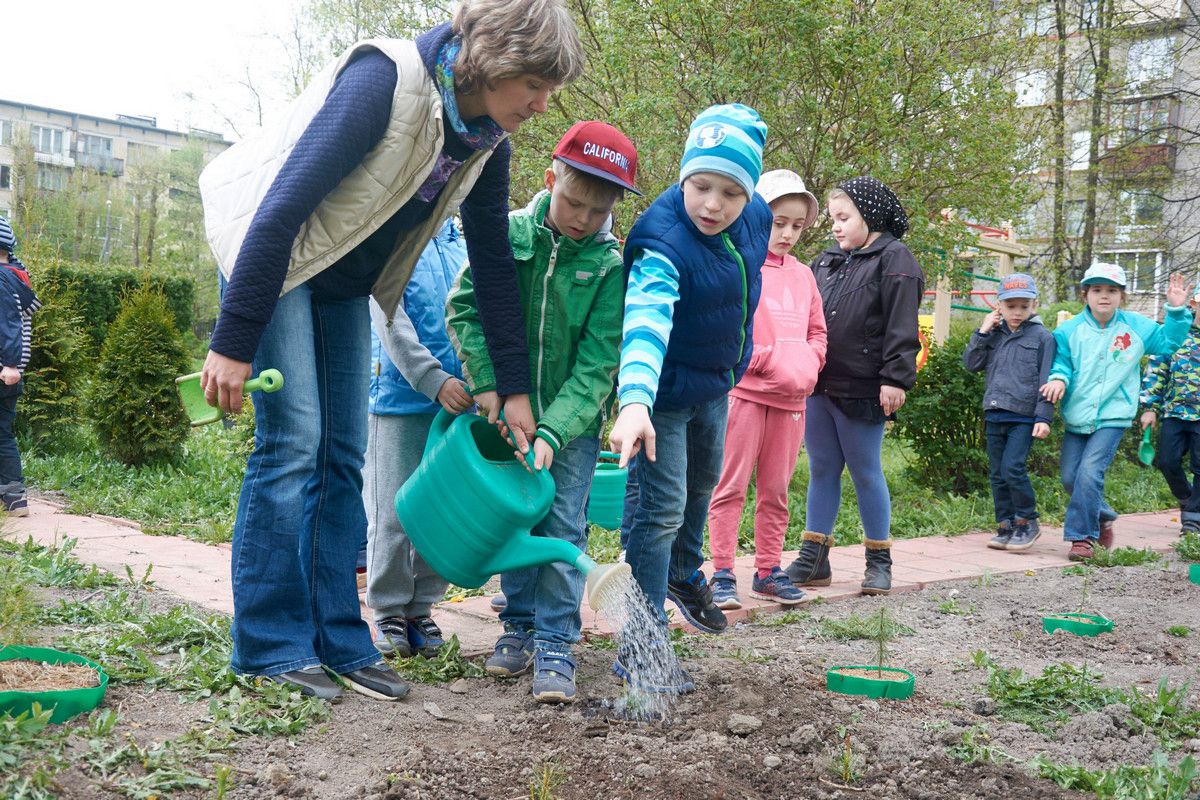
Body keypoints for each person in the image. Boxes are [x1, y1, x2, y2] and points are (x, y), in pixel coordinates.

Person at [196, 0, 585, 701]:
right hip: (270, 251)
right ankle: (269, 645)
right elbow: (282, 205)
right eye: (536, 82)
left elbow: (493, 265)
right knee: (295, 442)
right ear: (497, 57)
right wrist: (235, 337)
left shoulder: (486, 138)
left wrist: (512, 388)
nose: (541, 102)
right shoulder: (386, 82)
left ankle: (339, 637)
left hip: (343, 276)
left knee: (343, 451)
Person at [448, 120, 639, 704]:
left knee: (560, 524)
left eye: (598, 211)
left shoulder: (610, 266)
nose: (582, 218)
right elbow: (465, 310)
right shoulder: (505, 235)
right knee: (515, 516)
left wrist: (556, 428)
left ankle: (557, 640)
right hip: (504, 414)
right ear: (549, 178)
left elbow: (599, 360)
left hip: (571, 428)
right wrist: (487, 387)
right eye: (573, 202)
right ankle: (519, 623)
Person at [608, 103, 772, 670]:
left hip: (716, 383)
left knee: (703, 485)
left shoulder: (757, 219)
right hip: (662, 397)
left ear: (749, 194)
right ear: (683, 177)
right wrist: (634, 402)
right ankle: (642, 641)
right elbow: (647, 323)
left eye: (730, 192)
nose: (712, 204)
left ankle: (683, 574)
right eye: (701, 186)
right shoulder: (661, 241)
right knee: (661, 510)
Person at [783, 177, 924, 597]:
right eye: (833, 219)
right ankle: (814, 558)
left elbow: (903, 323)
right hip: (820, 382)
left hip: (865, 386)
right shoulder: (825, 261)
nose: (836, 227)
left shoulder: (895, 259)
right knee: (822, 468)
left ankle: (878, 561)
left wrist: (895, 377)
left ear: (871, 214)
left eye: (844, 217)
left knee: (865, 471)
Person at [707, 169, 826, 610]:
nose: (789, 233)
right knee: (730, 485)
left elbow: (818, 332)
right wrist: (765, 360)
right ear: (758, 217)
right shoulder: (739, 263)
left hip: (793, 399)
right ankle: (720, 572)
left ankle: (768, 571)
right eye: (780, 223)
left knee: (776, 491)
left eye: (798, 225)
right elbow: (730, 327)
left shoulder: (804, 276)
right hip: (746, 395)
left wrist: (809, 363)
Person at [364, 219, 469, 660]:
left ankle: (421, 608)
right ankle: (388, 607)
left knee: (440, 510)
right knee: (393, 509)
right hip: (400, 397)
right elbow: (388, 317)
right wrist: (431, 378)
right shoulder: (396, 234)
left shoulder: (464, 242)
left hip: (459, 403)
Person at [1042, 263, 1188, 560]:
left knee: (1090, 472)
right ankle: (1103, 513)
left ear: (1122, 296)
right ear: (1086, 295)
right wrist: (1058, 378)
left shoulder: (1137, 327)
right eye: (1097, 290)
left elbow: (1169, 343)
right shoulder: (1068, 331)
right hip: (1078, 415)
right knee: (1071, 478)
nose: (1104, 297)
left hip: (1113, 415)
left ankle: (1082, 538)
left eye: (1111, 291)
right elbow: (1061, 364)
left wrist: (1175, 311)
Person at [962, 273, 1056, 552]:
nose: (1017, 312)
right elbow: (971, 364)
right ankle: (1005, 524)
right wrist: (982, 331)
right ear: (998, 305)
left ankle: (1027, 521)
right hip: (994, 413)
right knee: (997, 473)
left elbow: (1046, 378)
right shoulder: (993, 335)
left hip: (1024, 417)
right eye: (1011, 306)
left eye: (1023, 307)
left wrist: (1043, 417)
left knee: (1012, 468)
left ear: (1033, 305)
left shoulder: (1042, 337)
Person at [1140, 278, 1200, 536]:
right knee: (1166, 461)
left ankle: (1193, 519)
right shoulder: (1177, 331)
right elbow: (1157, 369)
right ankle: (1187, 498)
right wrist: (1150, 406)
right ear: (1195, 302)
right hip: (1174, 412)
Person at [0, 215, 39, 517]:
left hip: (4, 369)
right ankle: (13, 496)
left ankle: (13, 493)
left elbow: (9, 324)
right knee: (3, 431)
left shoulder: (1, 279)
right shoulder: (16, 275)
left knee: (2, 434)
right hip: (10, 372)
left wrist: (10, 364)